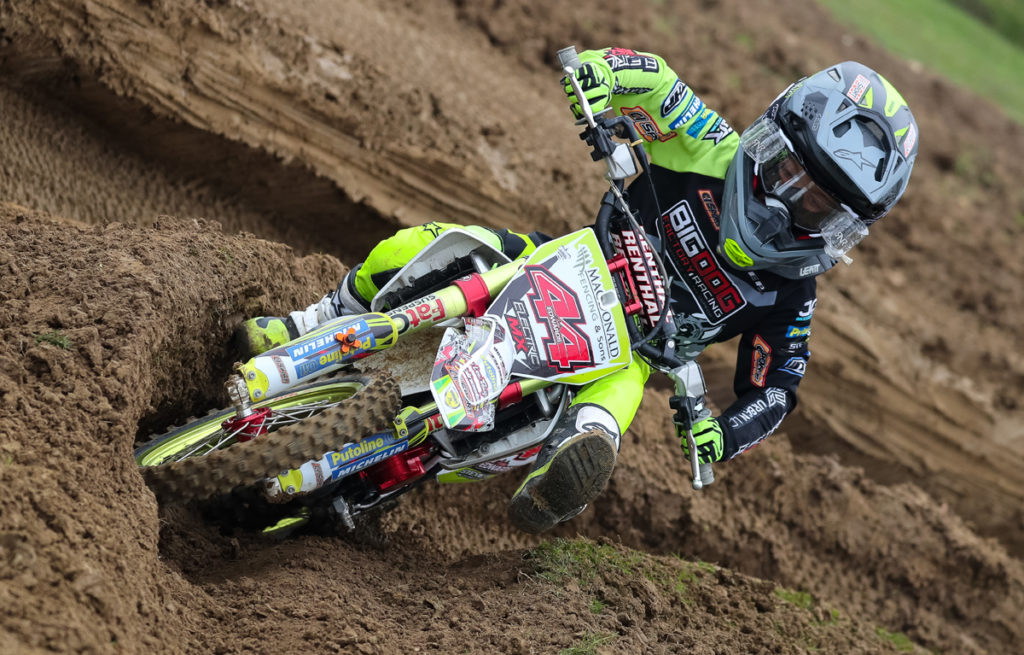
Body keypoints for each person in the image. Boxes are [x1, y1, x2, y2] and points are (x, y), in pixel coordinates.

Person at [237, 47, 919, 533]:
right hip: (565, 262)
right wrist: (599, 76)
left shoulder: (793, 293)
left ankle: (557, 479)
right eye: (789, 171)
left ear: (843, 229)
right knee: (421, 246)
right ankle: (313, 320)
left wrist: (720, 433)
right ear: (768, 135)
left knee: (604, 421)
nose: (787, 200)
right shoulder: (709, 144)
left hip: (626, 356)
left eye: (817, 205)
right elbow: (658, 83)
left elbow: (778, 386)